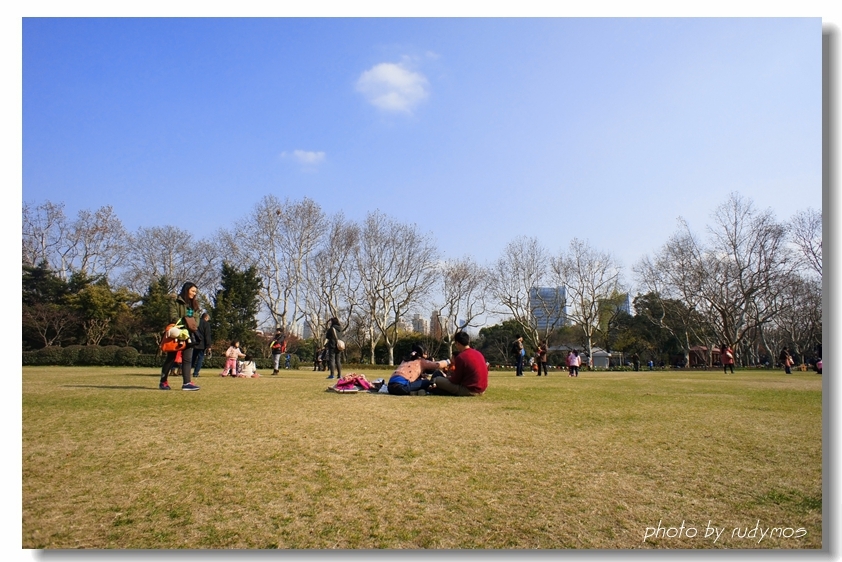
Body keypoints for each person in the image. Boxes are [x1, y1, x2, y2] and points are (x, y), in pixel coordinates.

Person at [159, 282, 202, 391]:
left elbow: (197, 319)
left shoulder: (195, 304)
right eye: (192, 291)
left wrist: (193, 326)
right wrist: (185, 323)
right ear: (186, 290)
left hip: (189, 334)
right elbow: (173, 316)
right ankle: (163, 381)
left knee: (187, 359)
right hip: (177, 333)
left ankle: (187, 383)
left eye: (195, 292)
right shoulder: (175, 302)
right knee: (171, 358)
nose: (194, 293)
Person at [429, 331, 488, 396]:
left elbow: (455, 380)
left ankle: (431, 389)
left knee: (437, 379)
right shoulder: (479, 354)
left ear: (457, 343)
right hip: (482, 389)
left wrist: (448, 378)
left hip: (469, 390)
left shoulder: (461, 357)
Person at [191, 312, 212, 378]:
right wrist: (209, 346)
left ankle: (186, 371)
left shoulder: (196, 322)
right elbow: (207, 335)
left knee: (192, 358)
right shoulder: (206, 324)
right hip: (202, 344)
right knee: (200, 358)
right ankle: (196, 373)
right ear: (206, 317)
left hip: (194, 342)